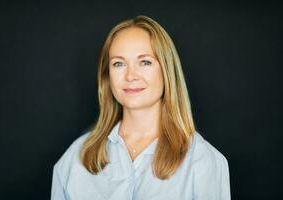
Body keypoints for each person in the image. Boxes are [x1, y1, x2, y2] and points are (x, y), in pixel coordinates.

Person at [50, 15, 231, 200]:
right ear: (107, 75)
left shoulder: (203, 161)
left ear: (167, 71)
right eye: (118, 64)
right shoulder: (76, 157)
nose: (130, 76)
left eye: (145, 62)